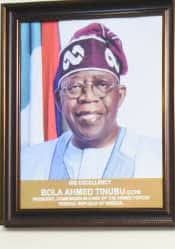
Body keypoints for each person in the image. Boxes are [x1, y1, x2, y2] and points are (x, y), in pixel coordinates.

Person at [20, 22, 162, 181]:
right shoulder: (27, 164)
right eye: (74, 86)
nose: (88, 96)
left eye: (102, 85)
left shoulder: (160, 160)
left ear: (120, 95)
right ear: (59, 100)